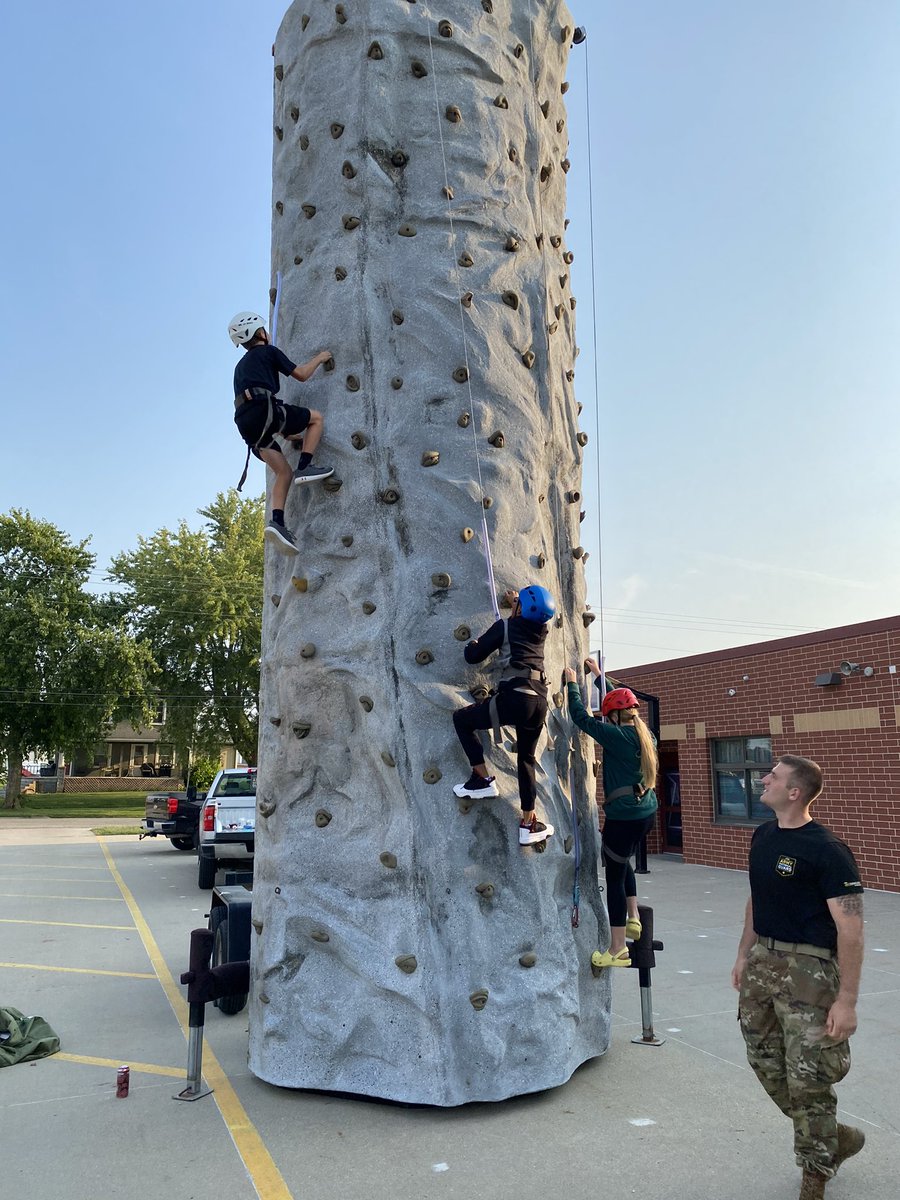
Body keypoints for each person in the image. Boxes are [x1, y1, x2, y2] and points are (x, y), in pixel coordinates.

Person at [731, 755, 865, 1200]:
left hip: (810, 972)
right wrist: (743, 953)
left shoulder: (826, 849)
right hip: (762, 964)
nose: (763, 779)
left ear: (795, 792)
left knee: (809, 1079)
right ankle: (832, 1137)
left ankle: (815, 1173)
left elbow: (850, 929)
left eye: (774, 776)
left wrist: (846, 1000)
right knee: (765, 1062)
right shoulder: (763, 836)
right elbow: (757, 898)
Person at [564, 662, 658, 967]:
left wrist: (573, 685)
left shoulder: (618, 737)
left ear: (616, 717)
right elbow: (624, 696)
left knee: (615, 877)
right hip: (645, 815)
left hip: (624, 818)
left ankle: (617, 948)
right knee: (623, 859)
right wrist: (600, 676)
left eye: (609, 716)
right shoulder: (647, 737)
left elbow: (581, 718)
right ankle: (633, 919)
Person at [452, 586, 556, 846]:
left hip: (515, 698)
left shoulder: (505, 627)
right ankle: (528, 823)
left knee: (462, 720)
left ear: (521, 609)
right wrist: (517, 605)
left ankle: (482, 779)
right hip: (539, 701)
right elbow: (525, 618)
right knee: (527, 760)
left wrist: (473, 643)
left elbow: (473, 656)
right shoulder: (541, 631)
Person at [228, 311, 333, 555]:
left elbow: (257, 410)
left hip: (248, 423)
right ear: (261, 333)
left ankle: (277, 522)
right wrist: (320, 357)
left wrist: (286, 433)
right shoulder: (269, 352)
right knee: (315, 419)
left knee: (282, 472)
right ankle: (306, 466)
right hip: (264, 409)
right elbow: (302, 375)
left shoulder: (239, 367)